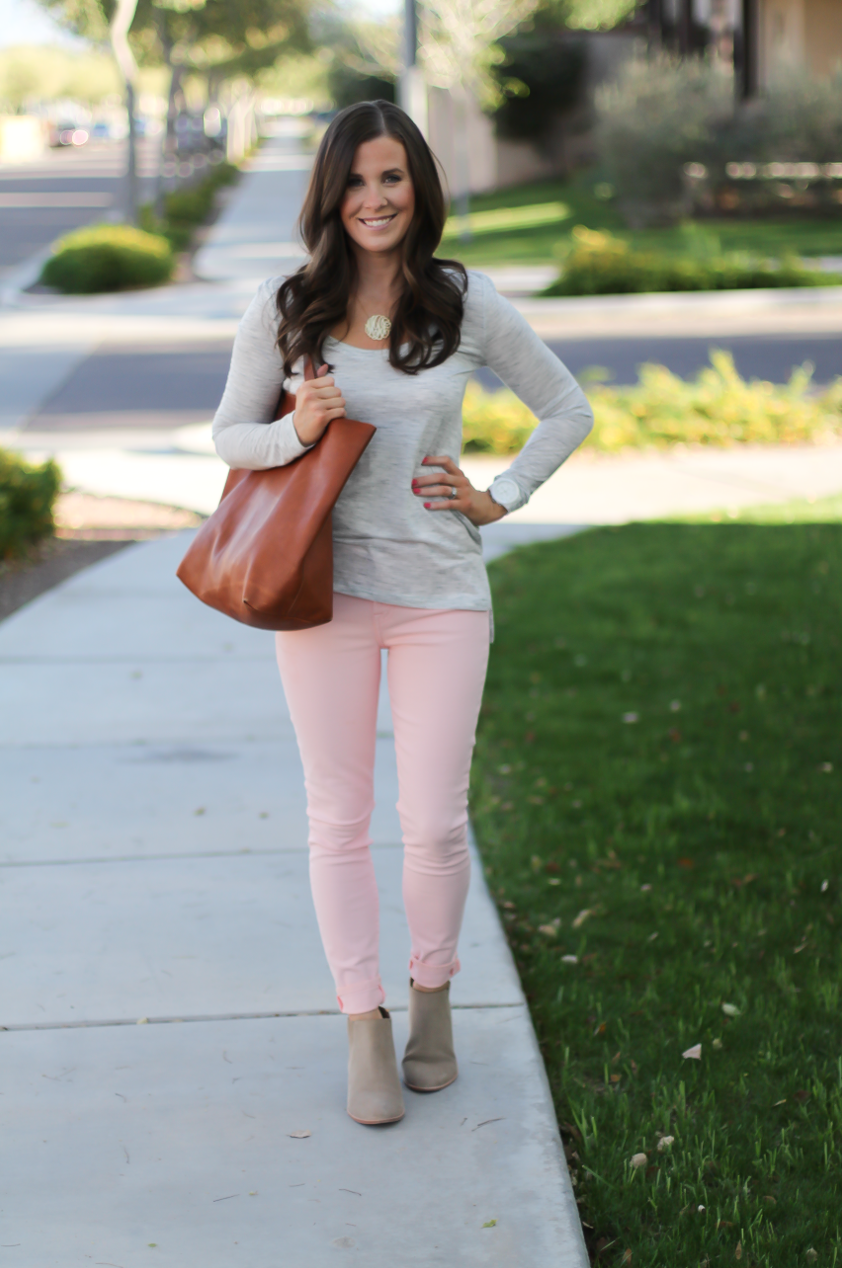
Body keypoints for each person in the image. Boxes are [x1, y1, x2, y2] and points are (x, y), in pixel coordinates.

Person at [211, 100, 593, 1126]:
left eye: (391, 177)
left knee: (430, 819)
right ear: (329, 194)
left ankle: (431, 997)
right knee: (338, 818)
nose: (374, 198)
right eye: (355, 181)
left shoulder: (462, 302)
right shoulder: (286, 304)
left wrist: (496, 494)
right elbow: (228, 438)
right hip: (318, 594)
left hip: (438, 596)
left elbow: (567, 408)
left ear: (416, 185)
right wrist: (295, 429)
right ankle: (360, 1021)